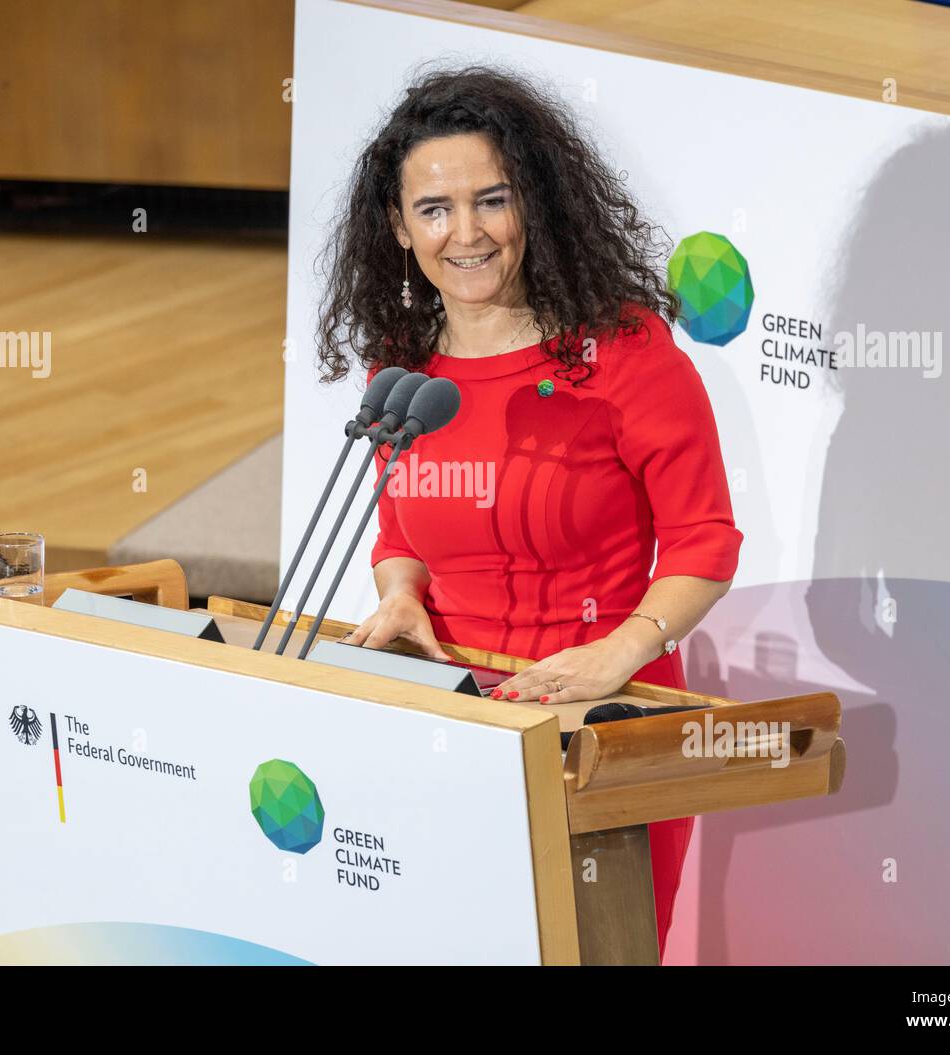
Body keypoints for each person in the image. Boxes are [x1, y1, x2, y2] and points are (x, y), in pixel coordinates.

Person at [315, 64, 742, 958]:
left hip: (605, 724)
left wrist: (616, 654)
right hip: (448, 721)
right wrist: (400, 595)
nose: (463, 234)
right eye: (433, 209)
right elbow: (402, 527)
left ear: (533, 206)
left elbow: (704, 540)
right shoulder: (404, 366)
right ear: (398, 227)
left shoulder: (624, 351)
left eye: (491, 201)